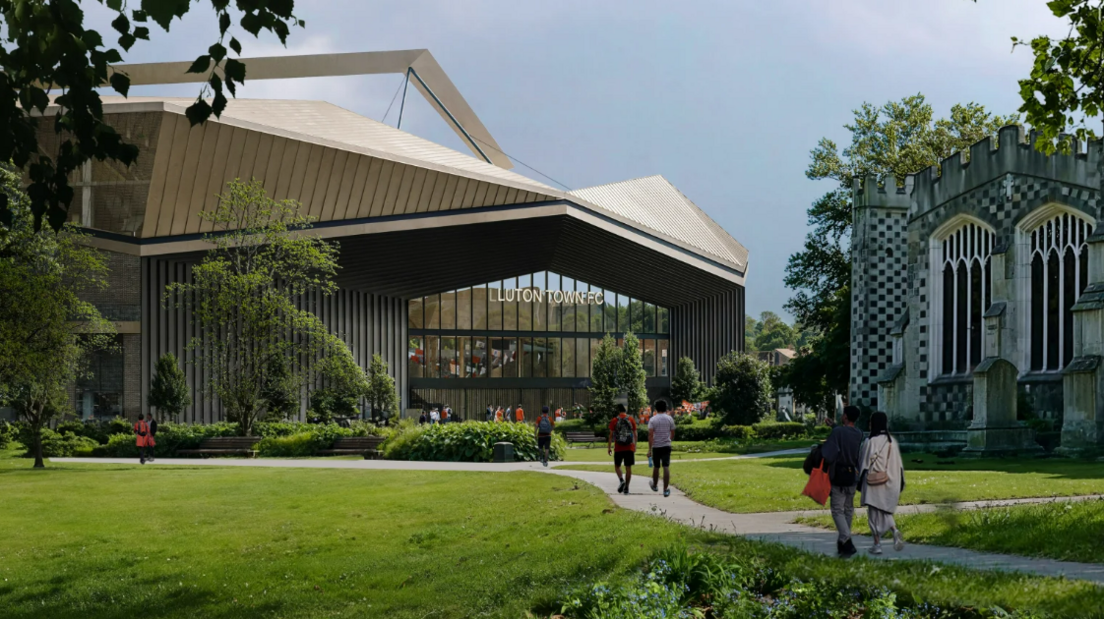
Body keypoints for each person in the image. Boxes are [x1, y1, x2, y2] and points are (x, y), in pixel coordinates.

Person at [859, 412, 906, 555]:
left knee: (873, 513)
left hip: (874, 481)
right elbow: (899, 465)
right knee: (884, 511)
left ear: (872, 423)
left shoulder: (870, 441)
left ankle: (877, 544)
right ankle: (894, 530)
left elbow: (864, 462)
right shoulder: (892, 441)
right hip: (890, 481)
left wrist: (858, 479)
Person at [822, 405, 863, 557]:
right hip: (853, 474)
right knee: (848, 508)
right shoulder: (859, 433)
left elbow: (829, 452)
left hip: (839, 474)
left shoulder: (838, 432)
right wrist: (833, 425)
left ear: (845, 416)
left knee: (837, 509)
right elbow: (845, 434)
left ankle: (847, 539)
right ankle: (842, 543)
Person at [647, 400, 676, 497]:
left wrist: (649, 449)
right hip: (666, 445)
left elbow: (651, 435)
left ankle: (655, 485)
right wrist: (668, 440)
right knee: (666, 466)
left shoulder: (653, 420)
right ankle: (665, 489)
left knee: (656, 466)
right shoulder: (669, 419)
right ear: (665, 408)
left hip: (656, 445)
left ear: (656, 408)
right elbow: (672, 432)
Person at [607, 404, 637, 494]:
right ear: (625, 411)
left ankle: (621, 480)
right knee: (628, 468)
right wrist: (635, 445)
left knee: (617, 466)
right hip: (629, 447)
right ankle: (627, 487)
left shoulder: (614, 420)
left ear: (618, 411)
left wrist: (609, 447)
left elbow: (611, 435)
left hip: (618, 447)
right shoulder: (631, 419)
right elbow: (635, 433)